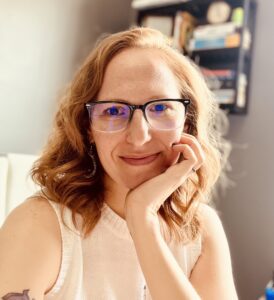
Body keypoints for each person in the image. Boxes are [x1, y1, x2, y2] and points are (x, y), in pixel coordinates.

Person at [0, 27, 238, 300]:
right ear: (87, 127)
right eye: (113, 111)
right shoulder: (38, 224)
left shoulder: (201, 229)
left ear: (186, 120)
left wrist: (142, 217)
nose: (139, 137)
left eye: (160, 108)